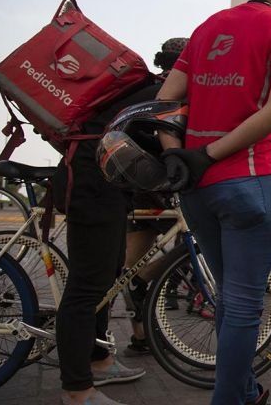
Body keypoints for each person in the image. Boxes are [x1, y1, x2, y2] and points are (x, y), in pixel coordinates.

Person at [155, 0, 271, 405]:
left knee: (227, 297)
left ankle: (245, 392)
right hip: (251, 180)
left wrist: (178, 155)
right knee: (242, 305)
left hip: (198, 188)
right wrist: (212, 154)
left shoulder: (208, 27)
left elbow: (164, 101)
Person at [54, 83, 161, 404]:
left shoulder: (150, 90)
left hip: (106, 184)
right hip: (93, 183)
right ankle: (77, 390)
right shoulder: (163, 94)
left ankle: (98, 359)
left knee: (107, 279)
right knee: (87, 287)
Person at [123, 37, 189, 357]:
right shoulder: (177, 94)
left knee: (130, 269)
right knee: (196, 246)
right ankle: (140, 324)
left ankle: (140, 336)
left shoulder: (148, 90)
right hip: (162, 190)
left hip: (138, 189)